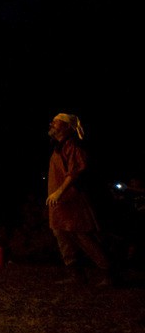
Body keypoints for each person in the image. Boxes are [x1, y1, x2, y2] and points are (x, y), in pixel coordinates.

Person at [46, 112, 113, 286]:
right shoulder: (58, 147)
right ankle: (76, 275)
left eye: (56, 122)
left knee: (84, 237)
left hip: (73, 201)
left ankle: (109, 273)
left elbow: (74, 173)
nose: (51, 124)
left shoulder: (73, 146)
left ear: (67, 127)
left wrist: (59, 192)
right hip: (59, 204)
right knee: (63, 238)